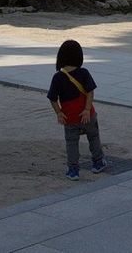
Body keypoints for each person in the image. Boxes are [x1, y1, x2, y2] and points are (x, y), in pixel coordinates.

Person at [47, 40, 106, 180]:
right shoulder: (84, 73)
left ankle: (73, 169)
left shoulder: (58, 77)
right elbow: (90, 92)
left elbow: (52, 98)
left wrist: (59, 113)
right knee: (94, 137)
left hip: (70, 116)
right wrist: (86, 109)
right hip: (87, 114)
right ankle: (98, 162)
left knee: (71, 143)